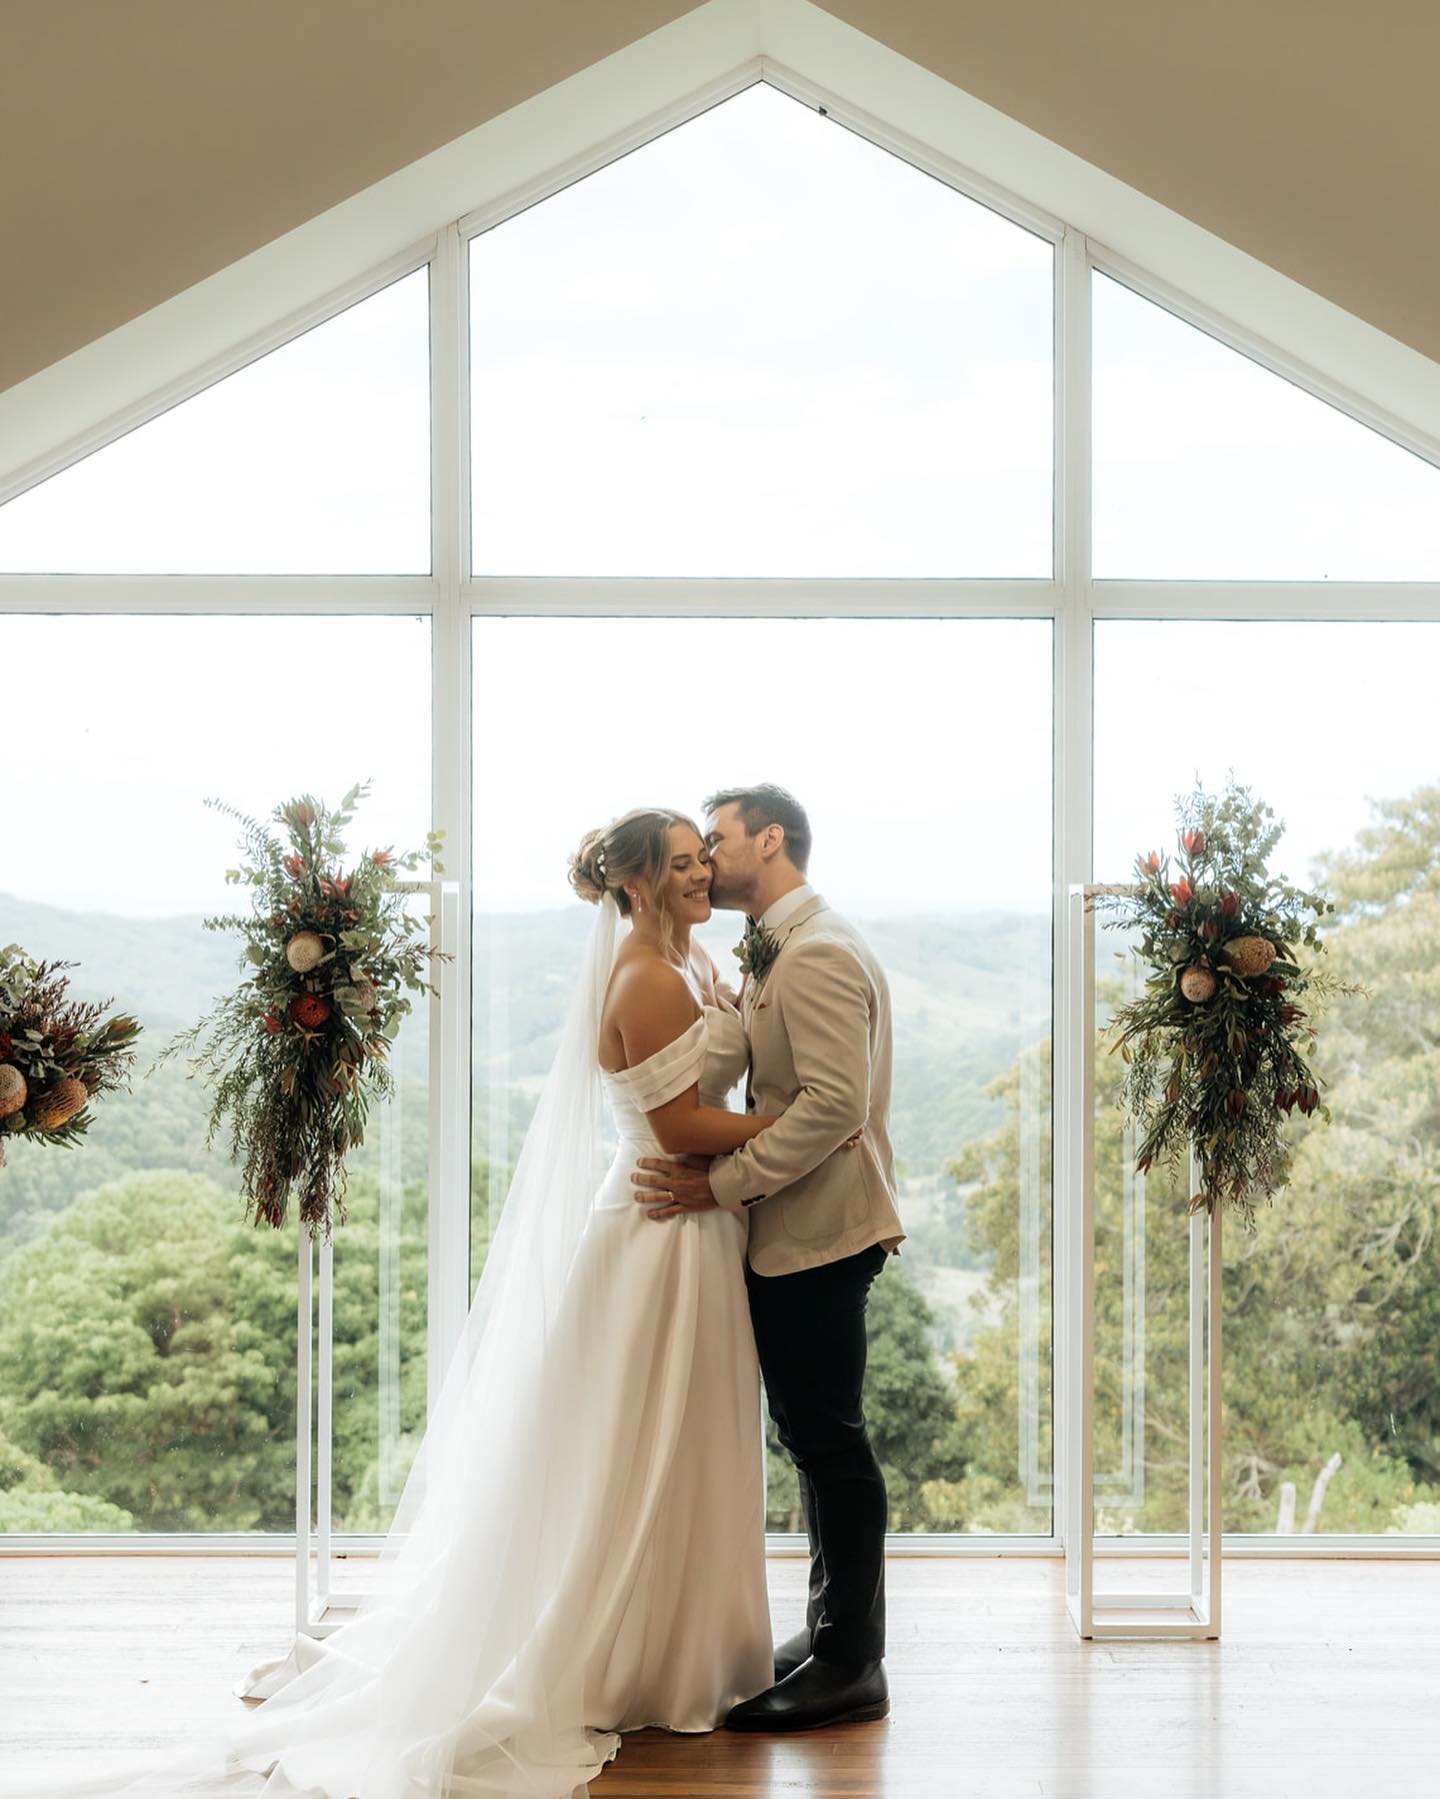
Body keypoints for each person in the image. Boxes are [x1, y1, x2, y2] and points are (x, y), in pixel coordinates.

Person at [60, 808, 780, 1799]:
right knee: (636, 1441)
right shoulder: (648, 976)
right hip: (658, 1227)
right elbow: (675, 1119)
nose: (705, 876)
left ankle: (688, 1644)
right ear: (644, 883)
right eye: (688, 865)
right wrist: (790, 1118)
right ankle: (621, 1650)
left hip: (699, 1228)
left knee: (688, 1436)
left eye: (707, 860)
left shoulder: (694, 963)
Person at [632, 784, 905, 1734]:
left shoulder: (821, 951)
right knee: (810, 1435)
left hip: (822, 1228)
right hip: (793, 1226)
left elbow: (830, 1106)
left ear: (772, 841)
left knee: (831, 1441)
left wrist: (719, 1184)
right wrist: (725, 1013)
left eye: (718, 840)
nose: (707, 859)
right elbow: (775, 1066)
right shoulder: (781, 945)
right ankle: (831, 1626)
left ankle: (851, 1664)